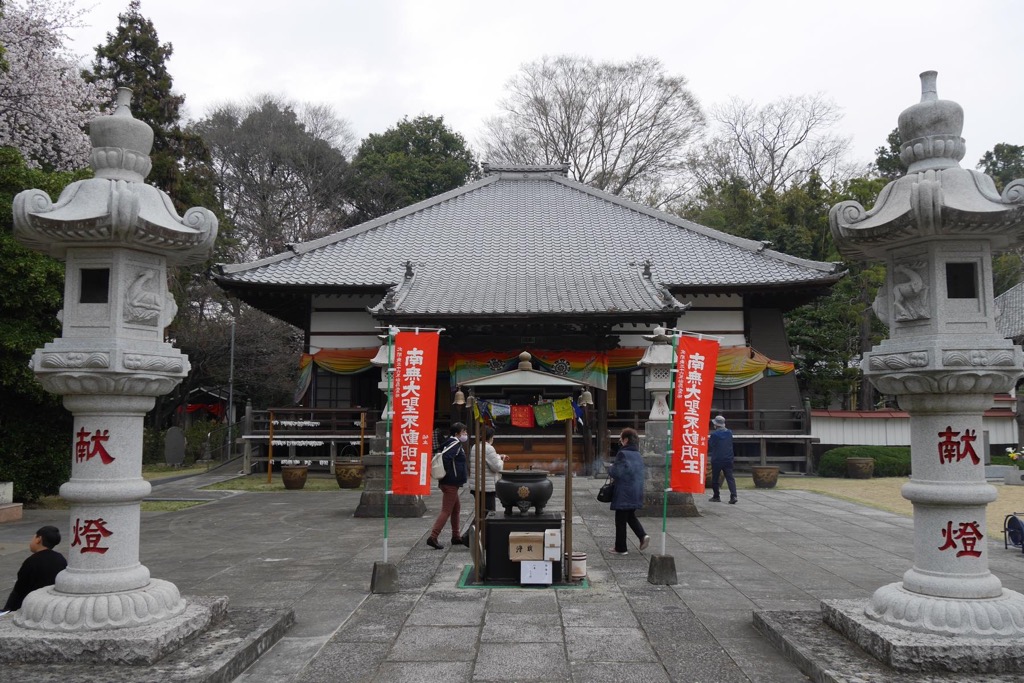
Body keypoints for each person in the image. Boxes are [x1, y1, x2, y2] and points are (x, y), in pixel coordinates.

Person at [460, 426, 507, 545]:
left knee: (481, 513)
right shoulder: (489, 448)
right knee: (488, 514)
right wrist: (501, 460)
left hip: (477, 485)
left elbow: (486, 461)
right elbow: (497, 467)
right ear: (491, 437)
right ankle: (471, 538)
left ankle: (468, 537)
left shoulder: (476, 446)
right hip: (486, 487)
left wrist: (497, 456)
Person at [2, 525, 67, 612]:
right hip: (53, 605)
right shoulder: (60, 559)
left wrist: (7, 609)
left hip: (31, 606)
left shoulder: (31, 561)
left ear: (38, 539)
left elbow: (19, 590)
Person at [607, 428, 649, 555]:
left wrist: (610, 468)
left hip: (624, 492)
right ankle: (642, 536)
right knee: (630, 516)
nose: (620, 441)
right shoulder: (637, 454)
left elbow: (617, 473)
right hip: (635, 490)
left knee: (620, 521)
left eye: (621, 438)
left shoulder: (622, 454)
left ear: (625, 439)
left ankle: (621, 548)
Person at [427, 422, 469, 550]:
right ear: (456, 434)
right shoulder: (455, 443)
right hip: (450, 482)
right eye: (463, 432)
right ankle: (433, 537)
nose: (465, 434)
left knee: (456, 509)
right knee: (446, 510)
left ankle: (456, 536)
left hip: (451, 482)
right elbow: (446, 458)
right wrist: (449, 473)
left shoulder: (450, 442)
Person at [708, 415, 738, 504]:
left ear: (716, 425)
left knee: (715, 478)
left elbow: (710, 445)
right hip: (728, 458)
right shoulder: (729, 433)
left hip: (717, 459)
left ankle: (716, 496)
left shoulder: (714, 434)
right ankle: (734, 495)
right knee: (730, 477)